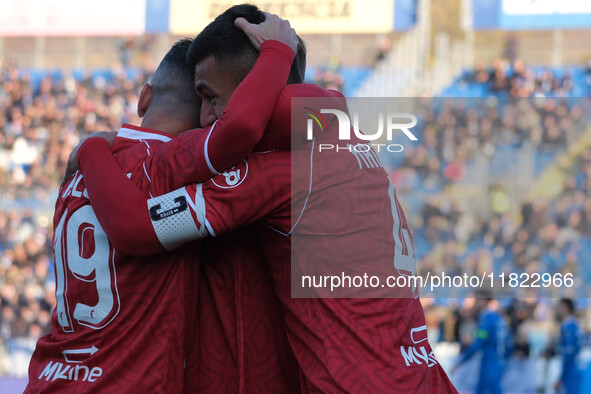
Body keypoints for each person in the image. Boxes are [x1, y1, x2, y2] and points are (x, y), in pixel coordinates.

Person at [71, 4, 458, 392]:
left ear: (260, 88)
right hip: (421, 377)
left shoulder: (276, 169)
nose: (203, 117)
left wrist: (94, 150)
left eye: (211, 96)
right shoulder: (343, 140)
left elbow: (136, 226)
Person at [26, 15, 300, 393]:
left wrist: (91, 146)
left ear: (143, 97)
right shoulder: (169, 164)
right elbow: (241, 130)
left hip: (50, 376)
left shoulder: (76, 173)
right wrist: (278, 53)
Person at [454, 294, 511, 394]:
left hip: (490, 360)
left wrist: (461, 360)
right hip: (499, 360)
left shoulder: (486, 318)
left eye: (477, 301)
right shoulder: (500, 319)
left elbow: (479, 341)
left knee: (491, 389)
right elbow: (509, 343)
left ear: (483, 301)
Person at [555, 298, 582, 394]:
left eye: (559, 306)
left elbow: (569, 353)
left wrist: (561, 377)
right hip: (573, 369)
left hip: (570, 371)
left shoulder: (568, 326)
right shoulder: (573, 324)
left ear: (566, 308)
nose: (557, 309)